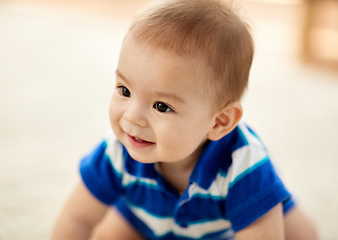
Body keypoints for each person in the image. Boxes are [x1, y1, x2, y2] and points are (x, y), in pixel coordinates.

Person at [52, 0, 318, 239]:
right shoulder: (117, 151)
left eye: (161, 106)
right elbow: (77, 217)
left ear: (219, 122)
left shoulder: (244, 165)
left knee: (302, 233)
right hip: (142, 220)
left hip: (223, 229)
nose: (132, 116)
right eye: (125, 90)